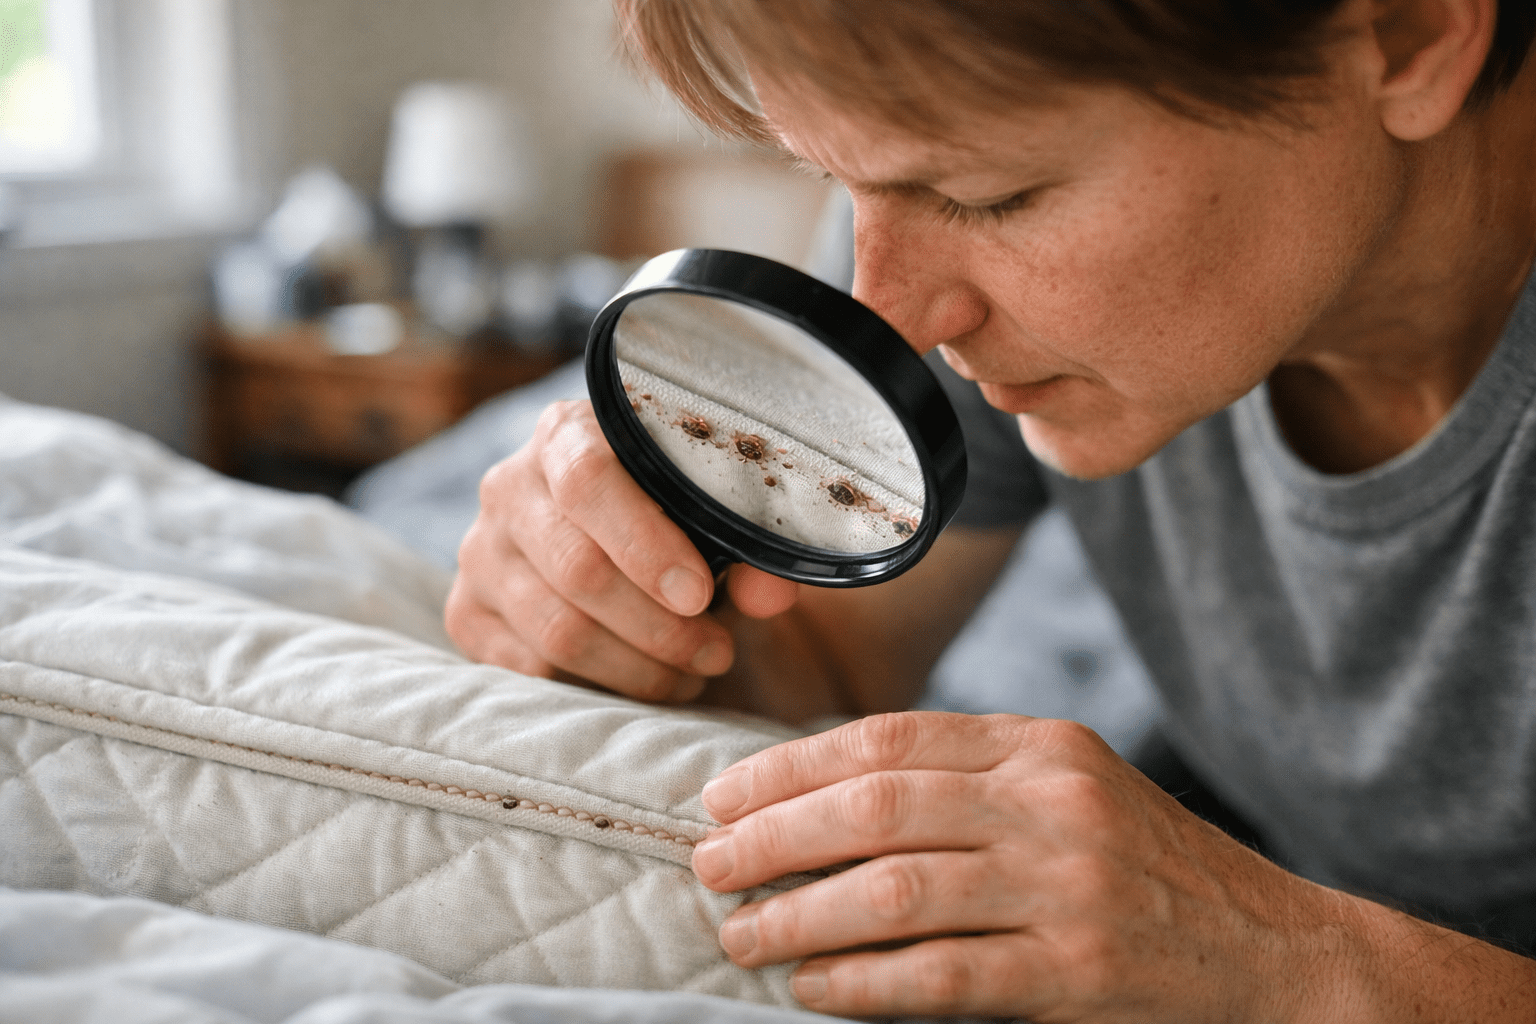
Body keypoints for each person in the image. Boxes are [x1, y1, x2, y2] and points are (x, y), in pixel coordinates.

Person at [447, 0, 1536, 1018]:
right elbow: (831, 660)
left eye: (990, 198)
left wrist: (1278, 955)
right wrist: (636, 620)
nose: (897, 321)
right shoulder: (939, 213)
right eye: (835, 177)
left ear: (1406, 33)